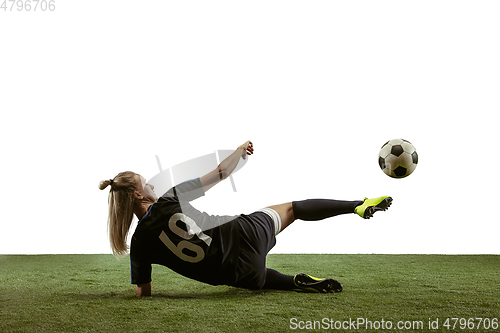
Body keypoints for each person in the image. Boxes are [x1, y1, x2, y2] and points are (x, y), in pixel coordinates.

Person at [99, 141, 392, 296]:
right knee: (293, 209)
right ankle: (357, 205)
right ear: (139, 196)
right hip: (244, 233)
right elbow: (220, 173)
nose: (152, 185)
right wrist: (239, 153)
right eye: (146, 184)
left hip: (238, 274)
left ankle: (293, 282)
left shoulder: (139, 245)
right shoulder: (171, 197)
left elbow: (143, 293)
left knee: (259, 277)